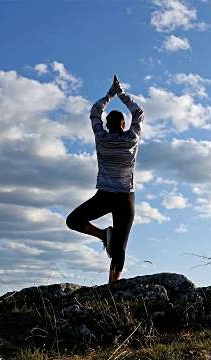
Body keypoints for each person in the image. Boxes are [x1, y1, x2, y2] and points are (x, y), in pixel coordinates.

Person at [66, 75, 144, 284]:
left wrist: (110, 94)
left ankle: (102, 235)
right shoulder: (132, 138)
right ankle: (112, 288)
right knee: (120, 247)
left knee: (73, 220)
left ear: (107, 125)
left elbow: (94, 112)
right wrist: (122, 94)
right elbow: (139, 112)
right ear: (124, 124)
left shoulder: (101, 138)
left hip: (105, 196)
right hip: (125, 198)